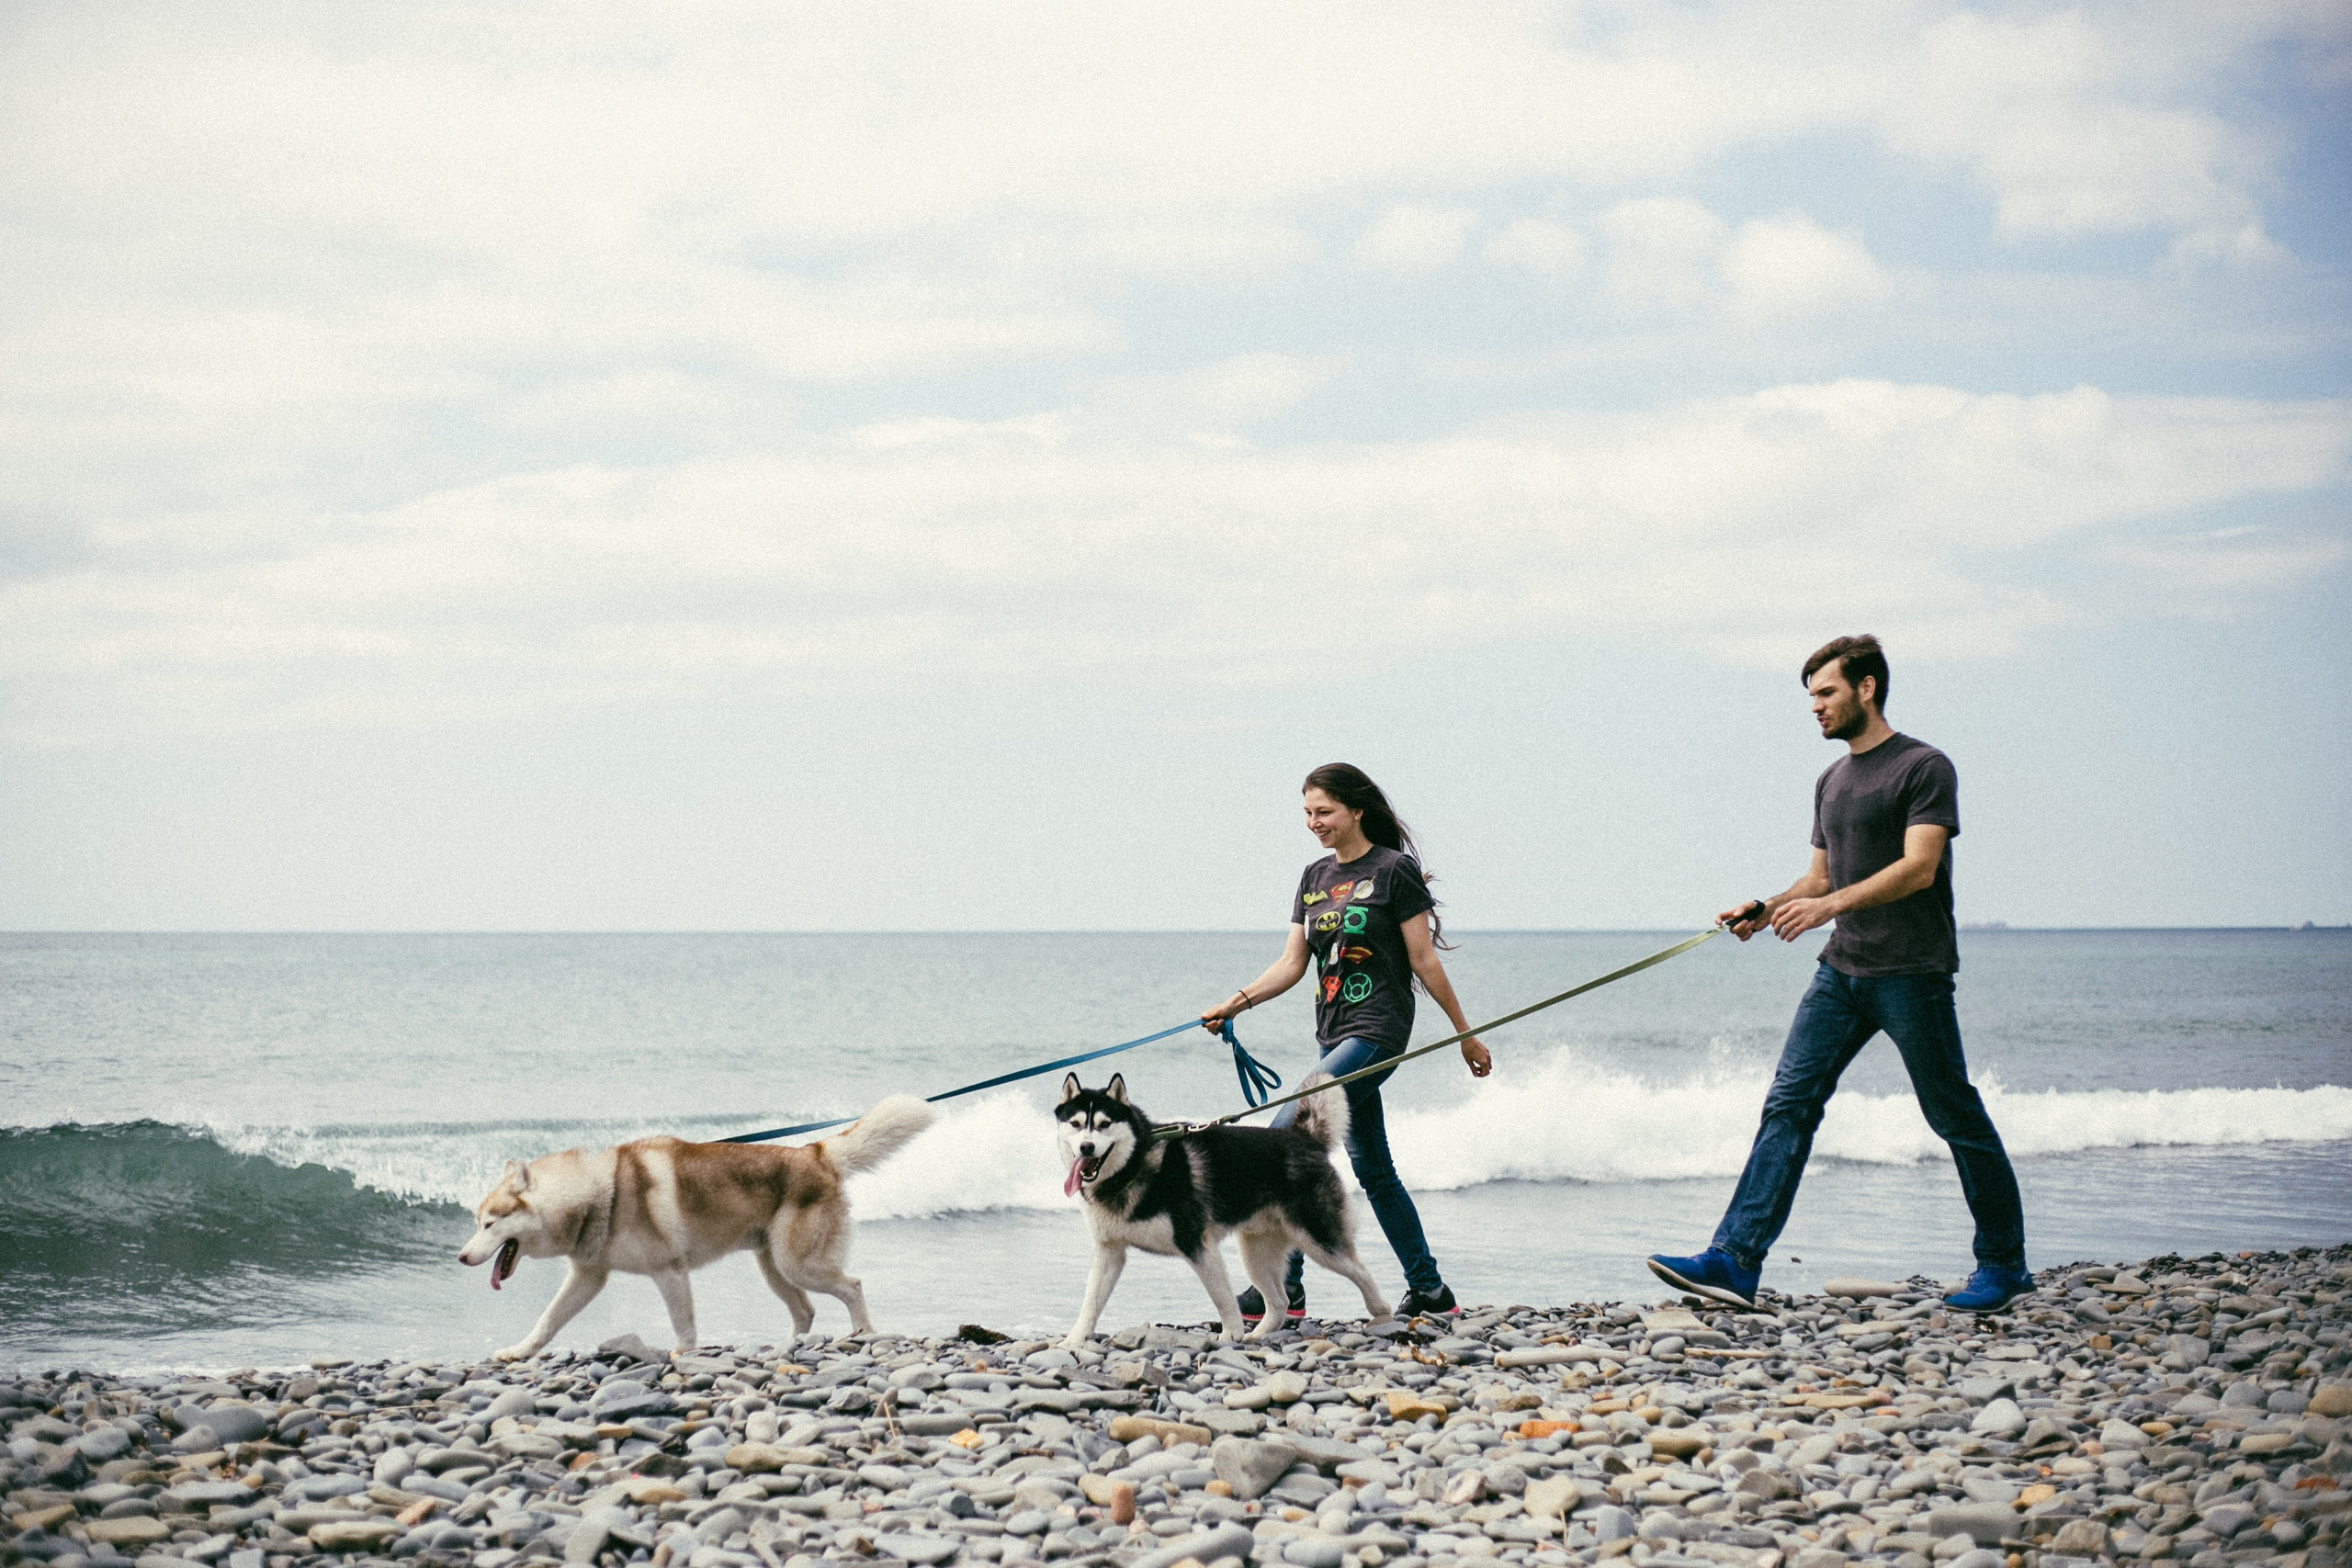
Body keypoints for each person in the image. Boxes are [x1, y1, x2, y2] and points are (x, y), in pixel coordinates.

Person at [1647, 635, 2030, 1314]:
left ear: (1867, 687)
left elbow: (1919, 867)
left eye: (1826, 692)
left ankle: (2003, 1264)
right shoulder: (1831, 781)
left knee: (1954, 1114)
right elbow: (1820, 877)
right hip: (1842, 973)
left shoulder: (1923, 766)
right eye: (1811, 697)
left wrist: (1827, 905)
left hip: (1912, 972)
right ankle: (1734, 1260)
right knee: (1788, 1105)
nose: (1816, 707)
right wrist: (1768, 908)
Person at [1202, 763, 1490, 1323]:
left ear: (1356, 809)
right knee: (1374, 1169)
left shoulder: (1392, 871)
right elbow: (1292, 964)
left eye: (1324, 811)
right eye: (1308, 813)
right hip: (1333, 1032)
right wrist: (1234, 1003)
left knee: (1285, 1133)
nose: (1314, 823)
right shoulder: (1313, 876)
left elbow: (1423, 959)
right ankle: (1430, 1290)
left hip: (1378, 1029)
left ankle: (1283, 1292)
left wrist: (1466, 1035)